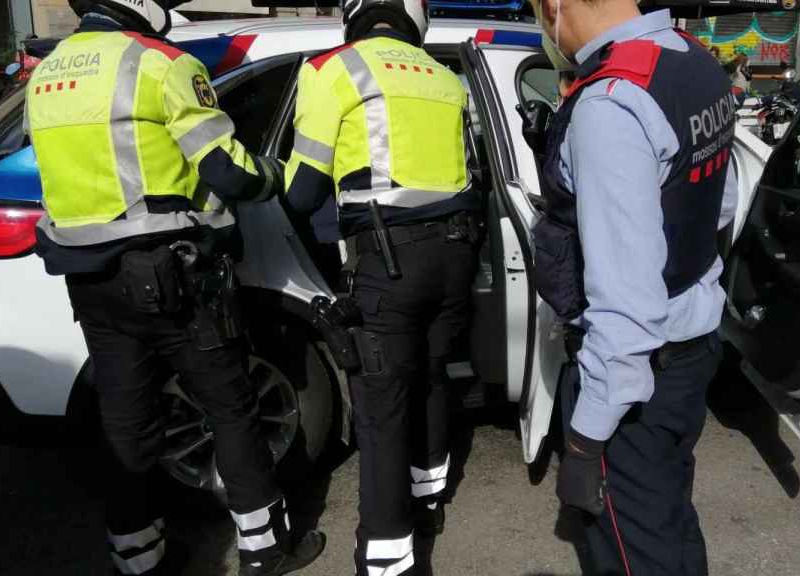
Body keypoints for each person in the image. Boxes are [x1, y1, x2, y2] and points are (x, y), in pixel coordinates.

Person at [25, 1, 324, 574]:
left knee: (126, 421)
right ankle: (265, 550)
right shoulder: (161, 63)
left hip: (89, 281)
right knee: (231, 407)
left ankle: (138, 559)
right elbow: (229, 172)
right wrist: (276, 177)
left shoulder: (46, 74)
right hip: (172, 277)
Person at [527, 0, 738, 574]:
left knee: (636, 554)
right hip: (693, 347)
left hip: (640, 383)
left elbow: (626, 311)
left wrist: (585, 439)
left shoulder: (610, 102)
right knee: (669, 524)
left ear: (556, 6)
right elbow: (719, 205)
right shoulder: (692, 60)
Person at [281, 0, 479, 573]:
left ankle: (388, 557)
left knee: (381, 408)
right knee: (432, 378)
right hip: (457, 256)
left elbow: (302, 192)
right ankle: (429, 500)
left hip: (389, 262)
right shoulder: (444, 76)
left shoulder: (332, 69)